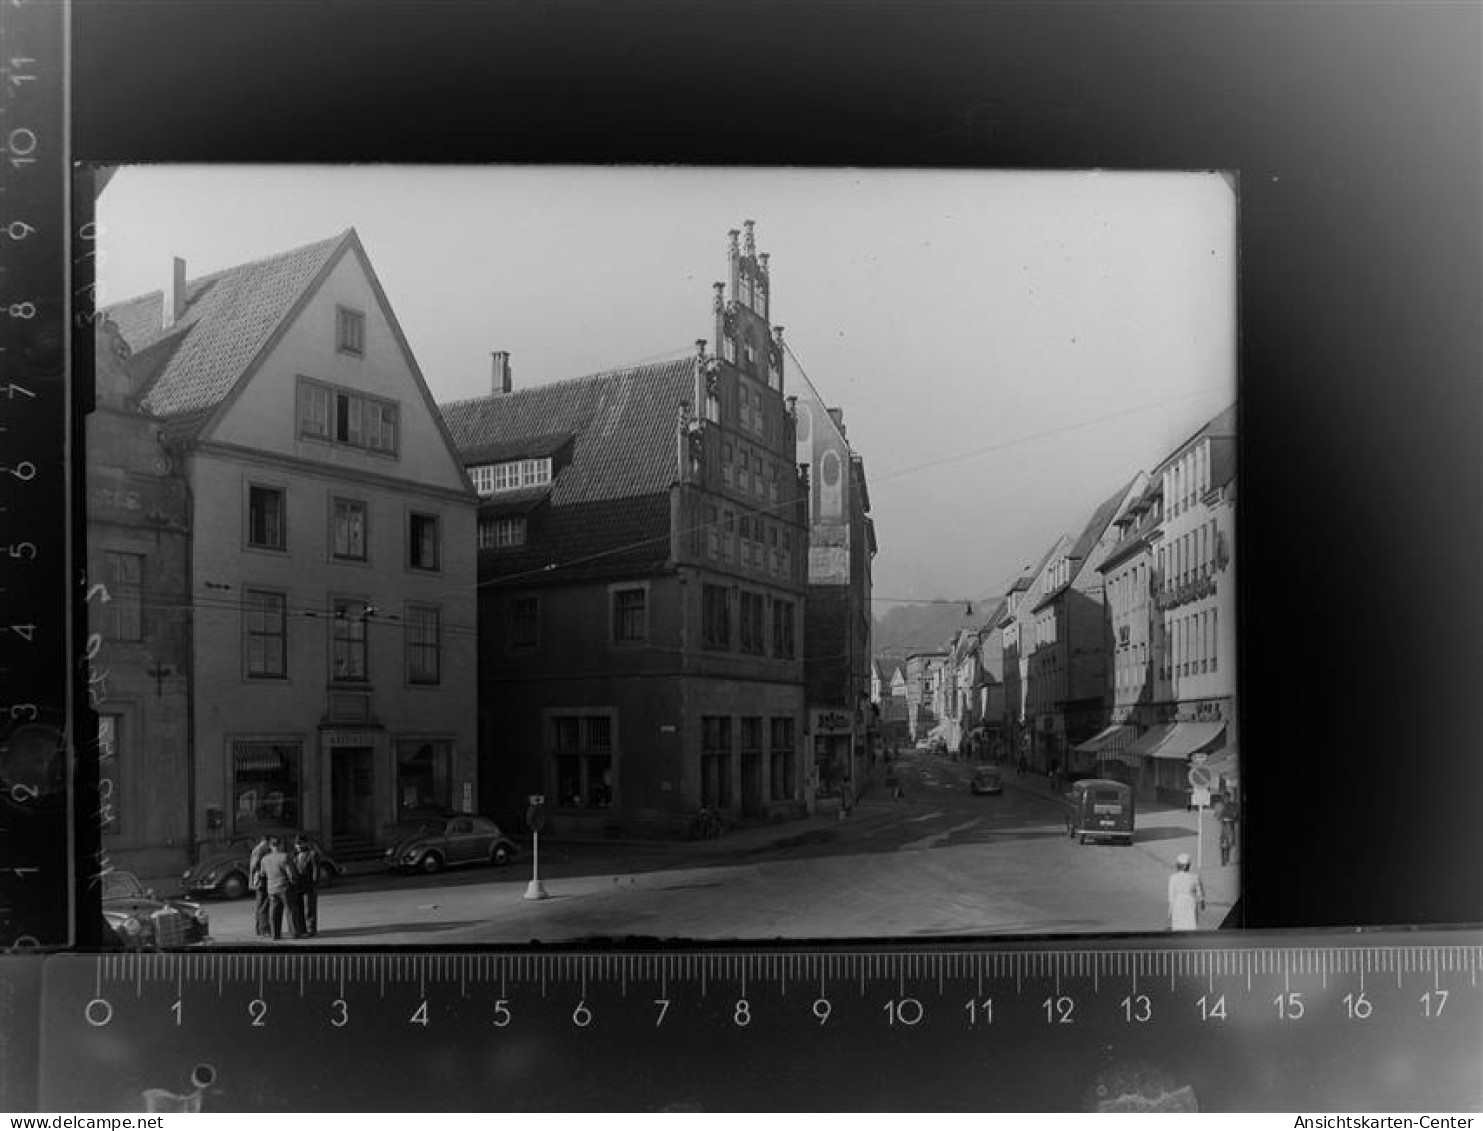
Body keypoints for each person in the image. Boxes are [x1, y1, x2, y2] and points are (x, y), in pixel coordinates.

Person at [256, 835, 301, 941]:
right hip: (284, 888)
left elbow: (262, 873)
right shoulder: (284, 857)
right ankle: (294, 932)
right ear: (280, 845)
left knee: (274, 912)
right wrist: (295, 882)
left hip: (271, 889)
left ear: (270, 846)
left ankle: (275, 934)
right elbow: (291, 874)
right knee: (290, 910)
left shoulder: (265, 859)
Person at [291, 835, 321, 937]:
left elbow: (316, 870)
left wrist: (314, 884)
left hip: (309, 886)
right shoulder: (294, 855)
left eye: (300, 843)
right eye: (296, 844)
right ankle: (301, 929)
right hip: (297, 886)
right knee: (299, 909)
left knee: (309, 909)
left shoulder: (312, 854)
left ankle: (311, 929)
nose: (298, 846)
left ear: (306, 843)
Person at [1167, 852, 1205, 931]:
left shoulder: (1173, 877)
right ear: (1188, 866)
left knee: (1178, 926)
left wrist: (1170, 910)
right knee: (1191, 925)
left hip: (1178, 904)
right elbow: (1199, 892)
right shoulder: (1195, 877)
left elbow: (1171, 896)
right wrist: (1202, 901)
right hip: (1191, 903)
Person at [247, 833, 272, 938]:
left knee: (261, 905)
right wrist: (261, 873)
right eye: (270, 843)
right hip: (261, 880)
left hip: (259, 880)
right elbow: (254, 866)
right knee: (263, 905)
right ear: (266, 841)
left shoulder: (259, 849)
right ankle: (264, 929)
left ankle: (259, 928)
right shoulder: (260, 850)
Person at [1217, 796, 1238, 866]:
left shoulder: (1232, 806)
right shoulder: (1220, 806)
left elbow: (1236, 817)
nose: (1226, 799)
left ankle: (1227, 860)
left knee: (1228, 844)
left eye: (1227, 798)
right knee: (1223, 844)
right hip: (1223, 826)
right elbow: (1218, 816)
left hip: (1230, 826)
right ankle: (1223, 861)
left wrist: (1233, 817)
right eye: (1225, 798)